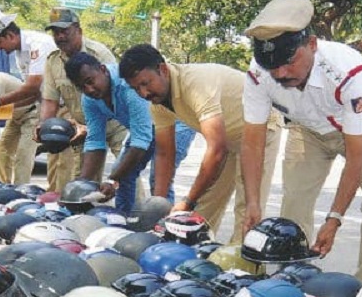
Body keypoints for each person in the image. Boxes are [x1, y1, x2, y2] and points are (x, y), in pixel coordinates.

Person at [240, 0, 362, 283]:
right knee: (295, 201)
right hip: (307, 130)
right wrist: (252, 202)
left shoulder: (349, 73)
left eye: (288, 62)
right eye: (272, 66)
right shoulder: (259, 74)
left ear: (311, 45)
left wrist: (335, 218)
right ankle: (293, 278)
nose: (281, 73)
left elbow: (357, 156)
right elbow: (252, 141)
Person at [120, 43, 282, 243]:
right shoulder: (158, 103)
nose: (143, 93)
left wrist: (188, 201)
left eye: (146, 83)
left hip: (260, 131)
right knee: (205, 206)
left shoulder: (195, 83)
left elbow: (216, 149)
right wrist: (159, 207)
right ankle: (195, 257)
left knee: (247, 207)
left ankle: (243, 269)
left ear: (162, 69)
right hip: (227, 140)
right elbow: (164, 154)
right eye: (136, 88)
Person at [65, 52, 194, 213]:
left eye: (90, 82)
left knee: (160, 177)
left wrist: (112, 181)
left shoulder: (128, 86)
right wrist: (80, 186)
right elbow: (95, 142)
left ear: (103, 70)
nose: (89, 89)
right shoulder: (89, 100)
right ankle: (123, 221)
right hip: (143, 127)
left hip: (176, 123)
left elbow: (140, 143)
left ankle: (164, 224)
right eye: (82, 87)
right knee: (123, 174)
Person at [39, 7, 133, 193]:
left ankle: (138, 216)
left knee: (128, 175)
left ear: (79, 30)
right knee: (80, 184)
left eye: (64, 31)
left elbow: (115, 93)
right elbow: (50, 101)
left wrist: (89, 127)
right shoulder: (53, 62)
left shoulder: (99, 53)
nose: (60, 37)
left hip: (116, 124)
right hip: (82, 131)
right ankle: (84, 219)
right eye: (55, 32)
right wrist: (44, 128)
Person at [0, 7, 54, 182]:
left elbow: (33, 86)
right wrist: (6, 107)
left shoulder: (38, 44)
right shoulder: (20, 54)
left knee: (24, 156)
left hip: (50, 108)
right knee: (1, 148)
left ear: (10, 36)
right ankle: (3, 187)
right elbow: (32, 93)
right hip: (34, 106)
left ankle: (21, 193)